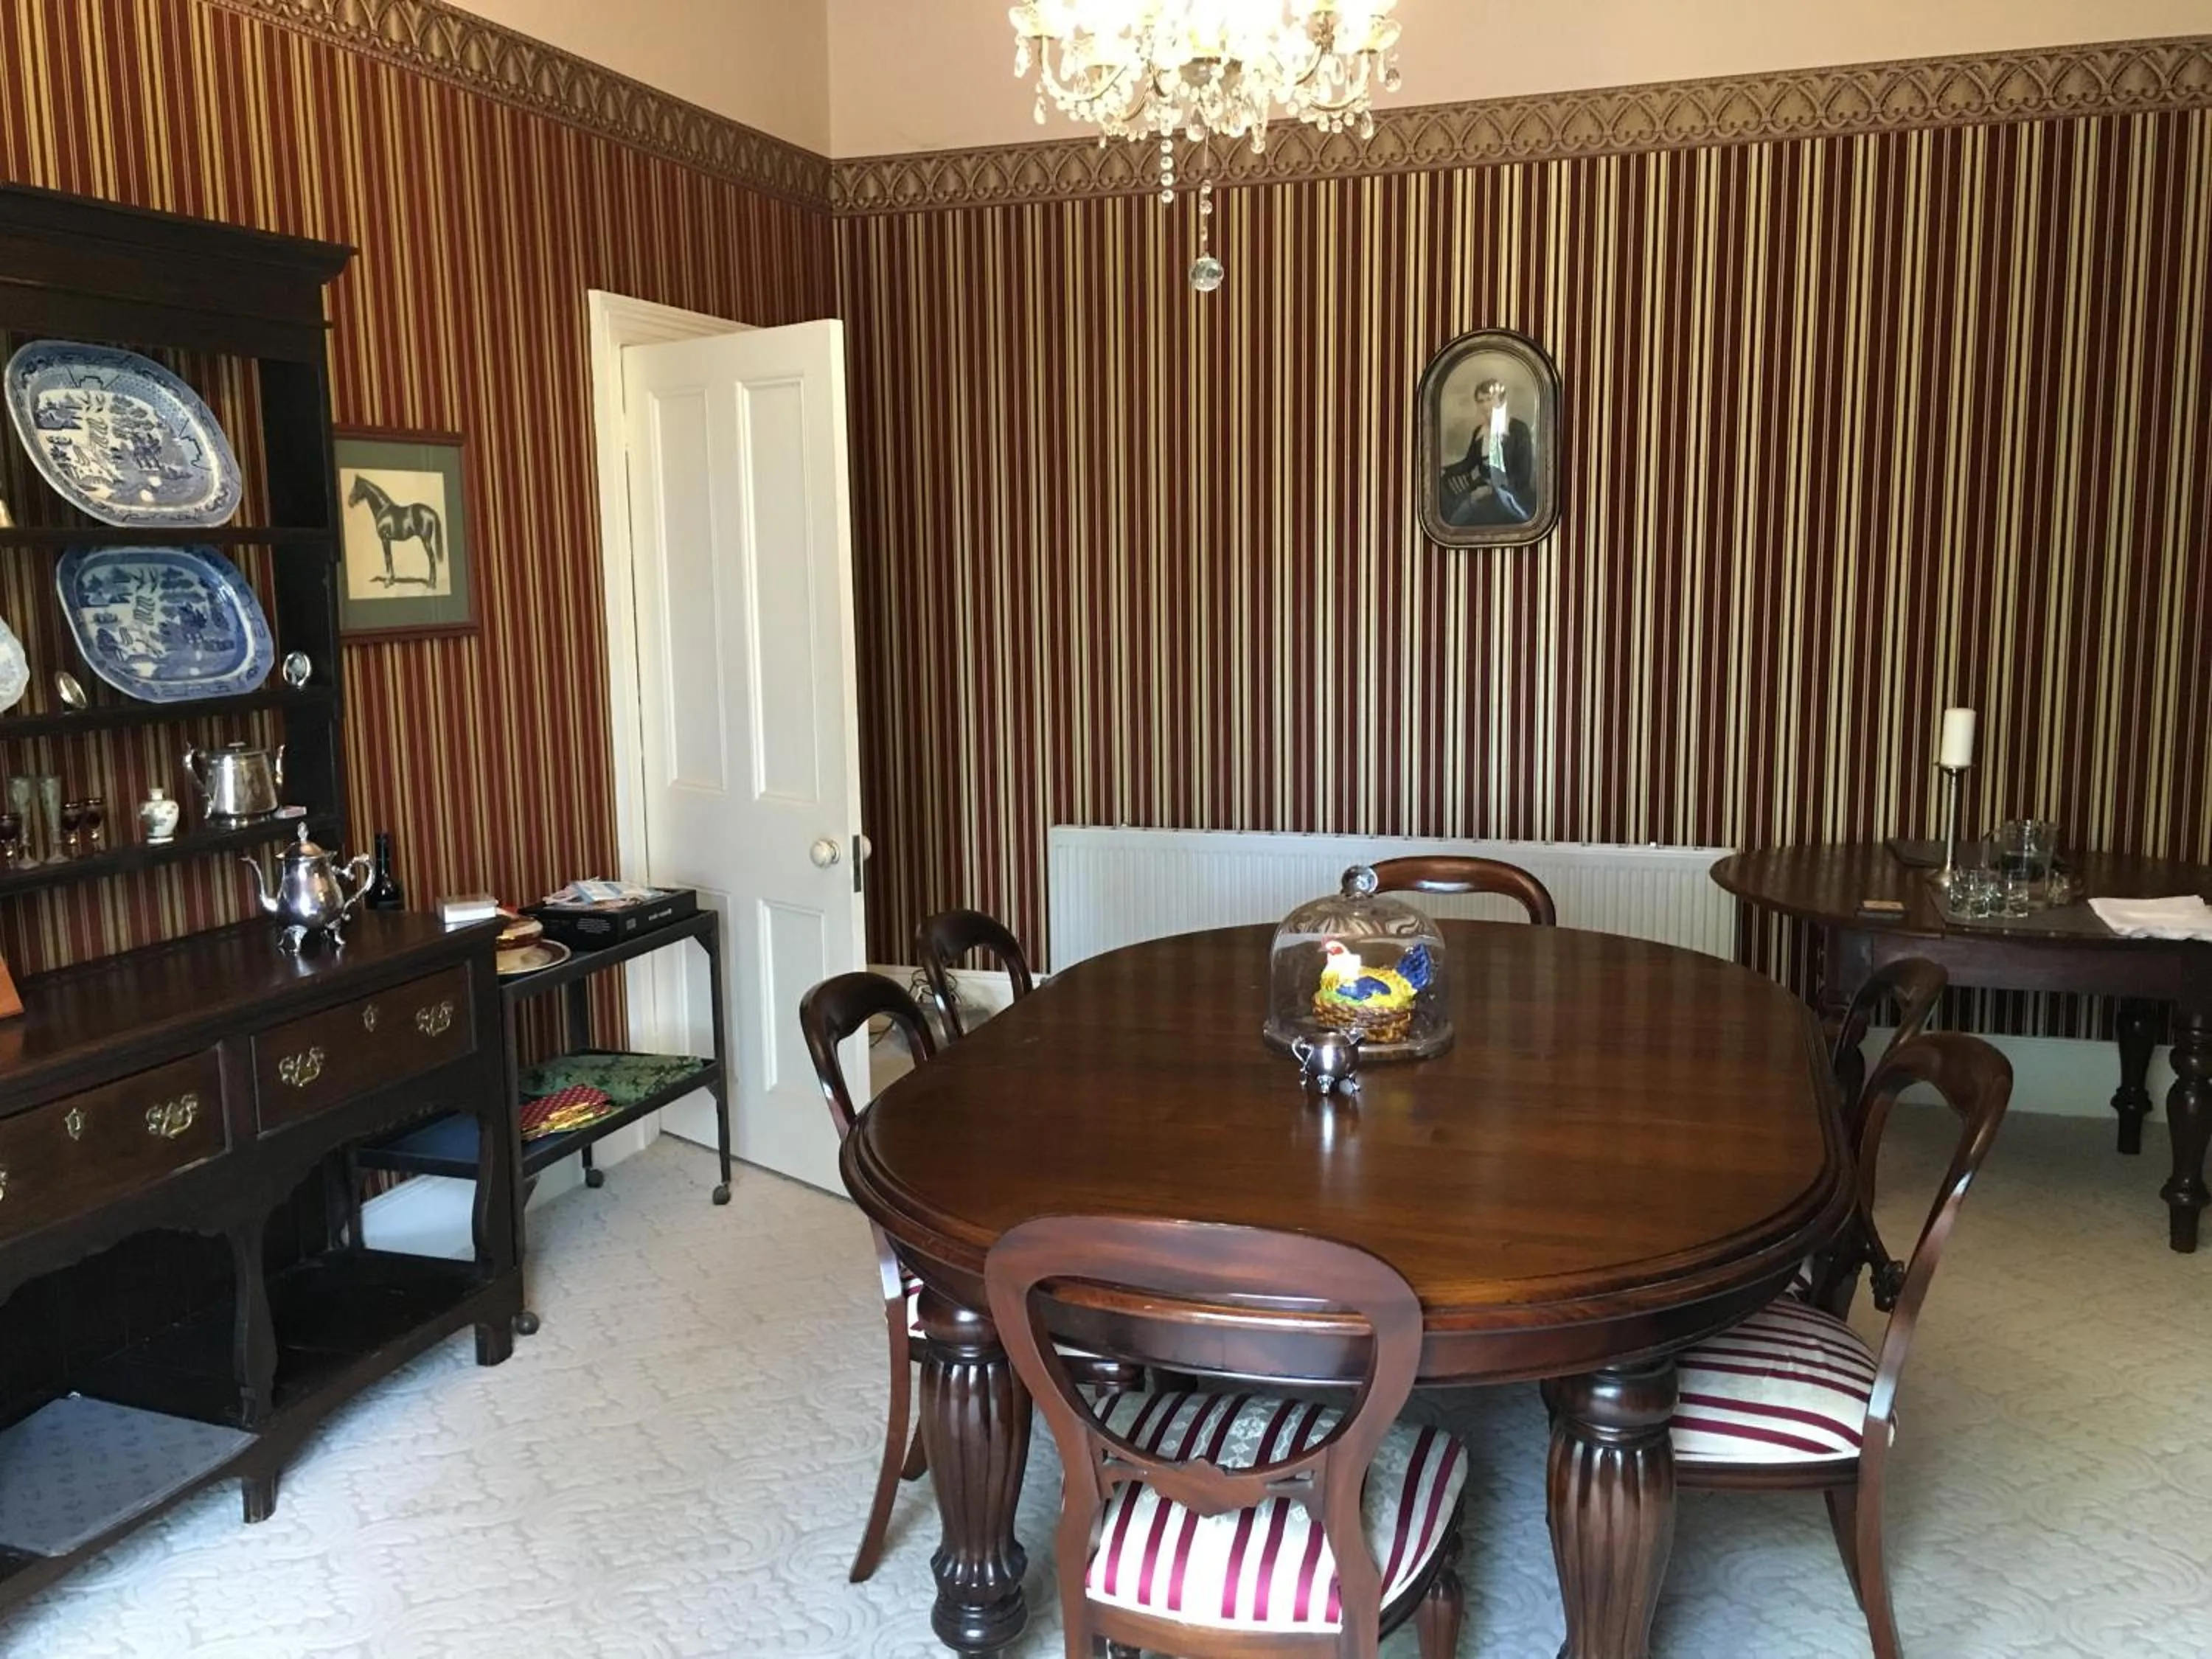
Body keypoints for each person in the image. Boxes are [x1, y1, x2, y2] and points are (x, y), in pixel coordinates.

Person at [1439, 375, 1536, 527]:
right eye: (1481, 401)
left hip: (1511, 492)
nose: (1485, 405)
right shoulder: (1480, 431)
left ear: (1502, 401)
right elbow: (1468, 463)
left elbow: (1522, 475)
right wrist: (1444, 470)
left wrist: (1492, 490)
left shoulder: (1518, 430)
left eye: (1490, 399)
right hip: (1483, 487)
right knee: (1453, 516)